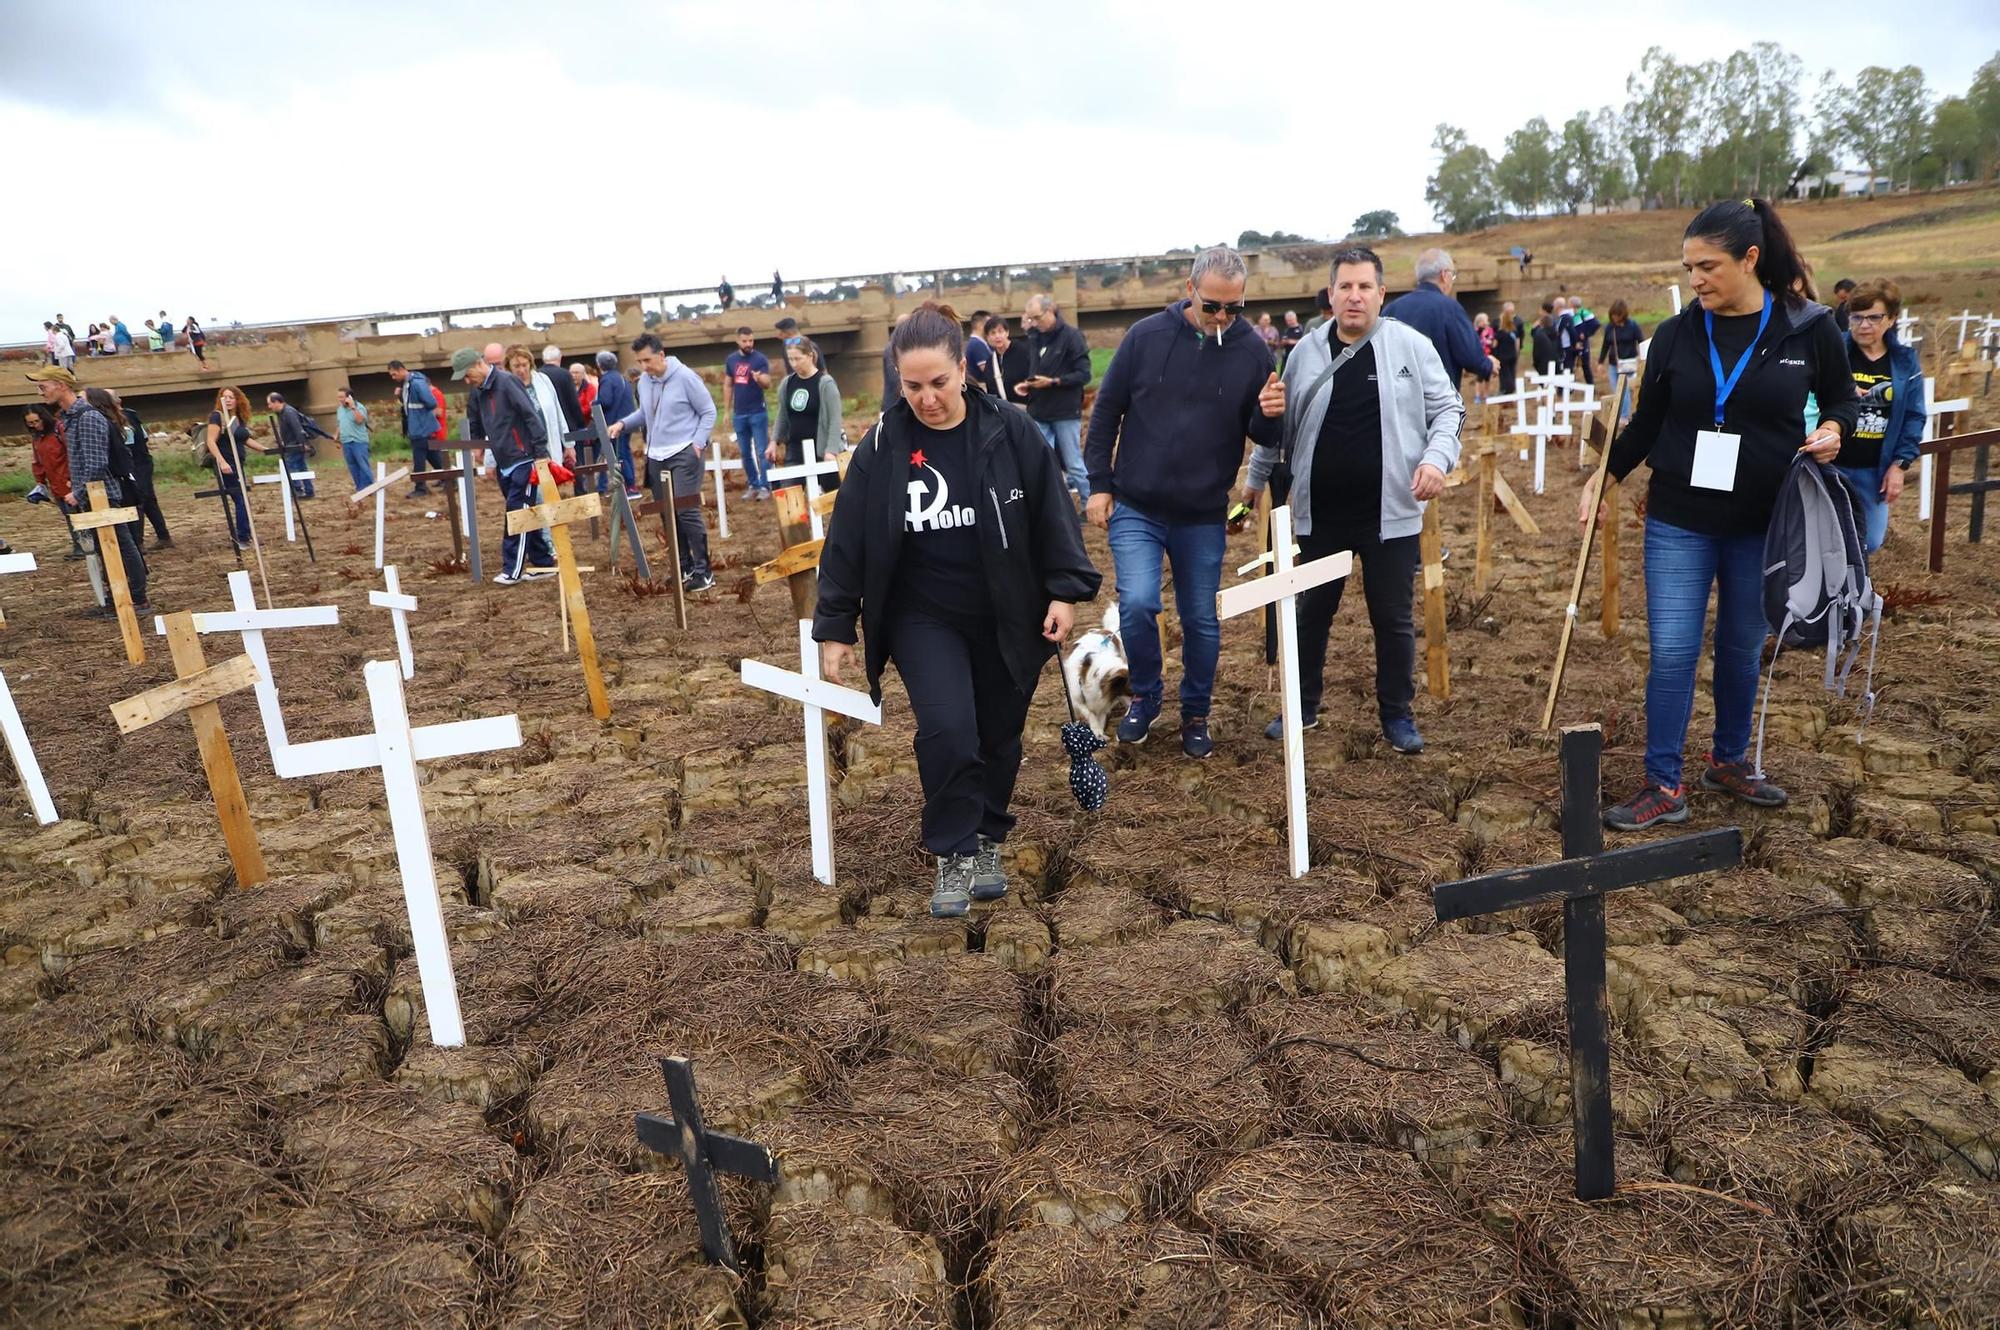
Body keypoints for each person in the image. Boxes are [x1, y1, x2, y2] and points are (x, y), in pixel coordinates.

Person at [813, 302, 1100, 918]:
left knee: (999, 735)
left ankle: (989, 838)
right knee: (948, 731)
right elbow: (848, 540)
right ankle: (952, 849)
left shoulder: (1012, 432)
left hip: (1007, 613)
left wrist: (1063, 592)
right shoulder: (884, 445)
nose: (926, 398)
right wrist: (836, 625)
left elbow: (1053, 515)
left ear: (963, 371)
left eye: (938, 383)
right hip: (923, 619)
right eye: (911, 385)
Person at [1581, 197, 1857, 832]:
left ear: (1750, 259)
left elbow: (1842, 396)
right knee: (1674, 651)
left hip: (1763, 522)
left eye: (1707, 266)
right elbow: (1648, 421)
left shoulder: (1807, 327)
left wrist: (1838, 426)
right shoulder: (1678, 332)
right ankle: (1662, 783)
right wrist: (1608, 475)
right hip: (1679, 519)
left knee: (1740, 648)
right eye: (1688, 267)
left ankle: (1729, 761)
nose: (1695, 279)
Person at [1240, 246, 1462, 756]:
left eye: (1365, 287)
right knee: (1312, 613)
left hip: (1392, 514)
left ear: (1382, 294)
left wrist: (1436, 460)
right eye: (1346, 287)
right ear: (1331, 294)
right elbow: (1280, 428)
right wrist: (1253, 485)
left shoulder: (1410, 346)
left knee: (1393, 618)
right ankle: (1302, 707)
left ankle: (1397, 716)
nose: (1355, 296)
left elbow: (1450, 410)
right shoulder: (1305, 353)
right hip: (1321, 515)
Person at [1085, 245, 1284, 759]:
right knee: (1139, 603)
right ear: (1189, 289)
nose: (1222, 317)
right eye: (1213, 305)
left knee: (1199, 618)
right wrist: (1099, 484)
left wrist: (1269, 413)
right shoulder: (1145, 338)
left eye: (1234, 308)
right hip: (1137, 504)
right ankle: (1146, 698)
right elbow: (1107, 411)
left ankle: (1195, 713)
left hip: (1201, 512)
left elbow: (1263, 433)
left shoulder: (1251, 351)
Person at [29, 367, 149, 613]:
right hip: (92, 494)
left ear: (61, 385)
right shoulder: (70, 418)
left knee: (122, 546)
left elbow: (96, 464)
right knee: (106, 549)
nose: (41, 392)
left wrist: (78, 492)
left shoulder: (87, 418)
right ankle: (117, 598)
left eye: (43, 386)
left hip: (103, 494)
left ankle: (137, 599)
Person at [607, 332, 716, 592]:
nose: (644, 367)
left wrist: (698, 443)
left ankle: (705, 571)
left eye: (648, 360)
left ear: (661, 355)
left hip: (684, 452)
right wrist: (623, 424)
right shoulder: (644, 382)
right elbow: (645, 413)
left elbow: (708, 411)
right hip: (656, 455)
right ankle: (683, 568)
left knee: (686, 510)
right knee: (667, 514)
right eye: (640, 361)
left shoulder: (686, 377)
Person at [1837, 279, 1924, 553]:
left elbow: (1914, 416)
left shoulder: (1905, 361)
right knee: (1827, 539)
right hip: (1831, 464)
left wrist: (1899, 466)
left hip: (1873, 470)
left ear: (1891, 319)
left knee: (1869, 541)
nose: (1864, 325)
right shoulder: (1834, 351)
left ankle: (1853, 593)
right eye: (1857, 317)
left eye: (1874, 317)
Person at [457, 348, 556, 586]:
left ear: (479, 364)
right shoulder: (479, 391)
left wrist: (540, 453)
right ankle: (543, 562)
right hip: (505, 461)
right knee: (526, 512)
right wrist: (477, 446)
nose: (467, 380)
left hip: (524, 457)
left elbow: (530, 415)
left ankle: (513, 569)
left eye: (468, 374)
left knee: (517, 514)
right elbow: (476, 420)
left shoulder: (507, 382)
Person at [1383, 248, 1496, 387]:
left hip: (1398, 401)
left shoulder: (1391, 309)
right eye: (1452, 275)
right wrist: (1489, 365)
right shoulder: (1450, 309)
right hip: (1439, 402)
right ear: (1444, 274)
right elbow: (1471, 358)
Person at [1018, 294, 1092, 500]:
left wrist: (1052, 382)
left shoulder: (1072, 336)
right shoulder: (1034, 337)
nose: (1034, 323)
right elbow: (1037, 368)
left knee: (1073, 463)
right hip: (1039, 409)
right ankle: (1052, 506)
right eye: (1030, 318)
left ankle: (1090, 503)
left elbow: (1084, 374)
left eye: (1037, 317)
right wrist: (1030, 385)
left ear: (1050, 311)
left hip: (1065, 411)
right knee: (1042, 463)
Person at [91, 389, 170, 546]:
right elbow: (144, 437)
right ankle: (163, 536)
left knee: (138, 501)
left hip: (137, 464)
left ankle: (138, 541)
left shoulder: (120, 418)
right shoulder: (129, 415)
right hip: (141, 462)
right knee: (148, 500)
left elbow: (126, 444)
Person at [768, 335, 845, 494]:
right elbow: (782, 415)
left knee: (835, 497)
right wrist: (774, 441)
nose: (794, 364)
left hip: (821, 449)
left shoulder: (825, 383)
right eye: (790, 359)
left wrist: (831, 451)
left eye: (798, 358)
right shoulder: (787, 383)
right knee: (789, 496)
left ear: (810, 356)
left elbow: (835, 420)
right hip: (795, 449)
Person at [22, 405, 86, 559]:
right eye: (30, 423)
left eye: (37, 421)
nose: (35, 425)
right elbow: (37, 461)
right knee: (69, 515)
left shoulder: (60, 429)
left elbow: (73, 453)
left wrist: (74, 478)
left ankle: (83, 546)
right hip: (55, 483)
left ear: (44, 417)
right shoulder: (37, 438)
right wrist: (40, 483)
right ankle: (79, 545)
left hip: (69, 480)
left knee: (77, 514)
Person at [724, 327, 774, 499]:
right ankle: (753, 484)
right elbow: (728, 385)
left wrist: (759, 378)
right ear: (738, 341)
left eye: (751, 340)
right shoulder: (731, 360)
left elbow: (768, 383)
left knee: (762, 451)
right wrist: (726, 410)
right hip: (740, 414)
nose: (748, 344)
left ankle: (766, 485)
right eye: (745, 341)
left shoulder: (760, 359)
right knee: (745, 452)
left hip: (758, 412)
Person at [204, 385, 255, 546]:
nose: (228, 400)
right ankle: (242, 538)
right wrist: (222, 461)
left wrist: (267, 450)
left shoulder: (237, 418)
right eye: (225, 397)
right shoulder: (217, 417)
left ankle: (245, 535)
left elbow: (245, 439)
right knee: (241, 499)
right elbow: (211, 441)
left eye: (231, 397)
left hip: (239, 464)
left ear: (238, 399)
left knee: (243, 499)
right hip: (227, 465)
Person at [387, 359, 445, 496]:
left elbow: (431, 402)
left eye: (394, 374)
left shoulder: (416, 383)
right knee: (433, 456)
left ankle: (421, 488)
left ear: (401, 369)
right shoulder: (408, 384)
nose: (393, 378)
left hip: (421, 428)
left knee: (419, 458)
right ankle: (448, 478)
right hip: (418, 427)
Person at [591, 350, 639, 497]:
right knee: (625, 452)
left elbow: (606, 400)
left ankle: (630, 487)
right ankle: (630, 485)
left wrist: (593, 403)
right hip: (627, 421)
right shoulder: (621, 378)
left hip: (615, 423)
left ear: (599, 365)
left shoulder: (607, 380)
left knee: (620, 454)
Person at [265, 392, 328, 498]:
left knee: (290, 467)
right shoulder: (283, 412)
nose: (269, 406)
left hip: (294, 445)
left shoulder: (288, 412)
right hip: (293, 444)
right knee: (301, 467)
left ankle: (297, 490)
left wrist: (304, 444)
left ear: (276, 402)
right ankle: (308, 491)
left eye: (270, 403)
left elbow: (297, 429)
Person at [535, 345, 584, 468]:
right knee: (574, 462)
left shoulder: (537, 375)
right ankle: (579, 486)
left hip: (547, 426)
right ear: (560, 358)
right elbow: (573, 401)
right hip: (568, 424)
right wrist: (580, 422)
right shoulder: (565, 374)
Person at [1598, 300, 1646, 427]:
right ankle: (1625, 415)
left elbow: (1641, 342)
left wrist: (1643, 358)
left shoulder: (1633, 326)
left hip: (1629, 364)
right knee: (1618, 390)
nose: (1614, 318)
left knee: (1624, 390)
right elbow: (1605, 345)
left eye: (1617, 315)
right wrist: (1600, 362)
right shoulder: (1610, 327)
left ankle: (1624, 416)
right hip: (1614, 364)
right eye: (1613, 316)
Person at [335, 385, 374, 490]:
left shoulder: (359, 407)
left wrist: (353, 407)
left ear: (349, 397)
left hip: (358, 441)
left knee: (363, 465)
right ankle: (360, 488)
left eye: (341, 397)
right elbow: (340, 423)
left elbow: (360, 420)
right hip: (346, 442)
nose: (339, 400)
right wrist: (337, 437)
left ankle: (370, 487)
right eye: (338, 397)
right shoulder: (340, 409)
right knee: (353, 466)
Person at [1492, 307, 1520, 397]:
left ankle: (1506, 389)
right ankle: (1512, 388)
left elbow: (1494, 345)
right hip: (1512, 355)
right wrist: (1516, 353)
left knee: (1504, 373)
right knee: (1512, 372)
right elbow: (1517, 343)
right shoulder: (1514, 331)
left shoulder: (1500, 333)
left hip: (1503, 356)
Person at [1531, 302, 1560, 376]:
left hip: (1543, 357)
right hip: (1555, 355)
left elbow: (1535, 335)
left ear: (1544, 310)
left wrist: (1534, 328)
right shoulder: (1556, 319)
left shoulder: (1542, 325)